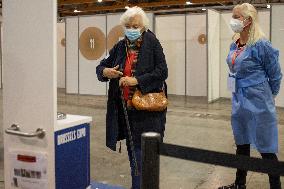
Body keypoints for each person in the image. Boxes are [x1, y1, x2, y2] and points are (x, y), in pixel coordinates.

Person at [96, 6, 168, 189]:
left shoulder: (152, 42)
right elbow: (101, 66)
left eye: (135, 26)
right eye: (128, 26)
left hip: (148, 112)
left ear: (143, 26)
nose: (131, 30)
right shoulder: (120, 46)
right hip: (126, 112)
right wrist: (106, 71)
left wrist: (136, 80)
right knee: (134, 157)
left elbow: (162, 71)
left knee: (145, 157)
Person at [218, 3, 282, 189]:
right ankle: (239, 184)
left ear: (248, 20)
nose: (233, 20)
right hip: (239, 99)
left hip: (259, 100)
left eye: (237, 17)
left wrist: (269, 95)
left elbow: (275, 75)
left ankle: (275, 186)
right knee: (242, 143)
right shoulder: (234, 43)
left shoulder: (261, 44)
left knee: (266, 147)